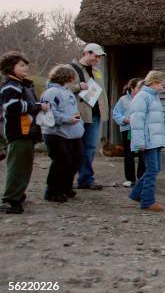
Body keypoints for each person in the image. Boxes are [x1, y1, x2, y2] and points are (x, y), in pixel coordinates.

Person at [0, 51, 48, 214]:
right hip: (18, 133)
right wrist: (37, 106)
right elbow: (12, 107)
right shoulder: (10, 86)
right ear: (10, 68)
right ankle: (10, 200)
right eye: (21, 65)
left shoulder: (21, 85)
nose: (25, 68)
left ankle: (18, 195)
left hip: (27, 132)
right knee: (17, 167)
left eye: (26, 65)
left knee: (24, 166)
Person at [40, 65, 84, 202]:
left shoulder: (68, 92)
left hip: (72, 134)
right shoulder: (52, 92)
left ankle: (65, 187)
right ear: (68, 77)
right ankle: (52, 191)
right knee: (60, 162)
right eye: (72, 78)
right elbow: (49, 111)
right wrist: (66, 119)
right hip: (57, 134)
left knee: (75, 161)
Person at [70, 43, 109, 190]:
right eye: (95, 56)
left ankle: (86, 179)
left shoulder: (97, 71)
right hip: (79, 114)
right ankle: (68, 178)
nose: (97, 59)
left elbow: (101, 93)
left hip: (95, 114)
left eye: (99, 57)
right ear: (86, 52)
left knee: (91, 147)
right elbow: (60, 87)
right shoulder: (71, 69)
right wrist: (78, 86)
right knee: (75, 147)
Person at [128, 71, 165, 212]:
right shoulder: (142, 97)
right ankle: (148, 201)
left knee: (155, 169)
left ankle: (136, 193)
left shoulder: (154, 97)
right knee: (152, 170)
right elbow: (137, 121)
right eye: (161, 84)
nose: (163, 88)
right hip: (148, 141)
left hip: (155, 140)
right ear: (153, 82)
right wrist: (139, 142)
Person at [112, 78, 145, 187]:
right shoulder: (123, 99)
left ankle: (141, 178)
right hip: (127, 130)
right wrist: (124, 120)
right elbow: (116, 113)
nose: (141, 90)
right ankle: (130, 179)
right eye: (138, 87)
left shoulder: (144, 98)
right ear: (132, 88)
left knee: (142, 154)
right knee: (129, 154)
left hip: (141, 130)